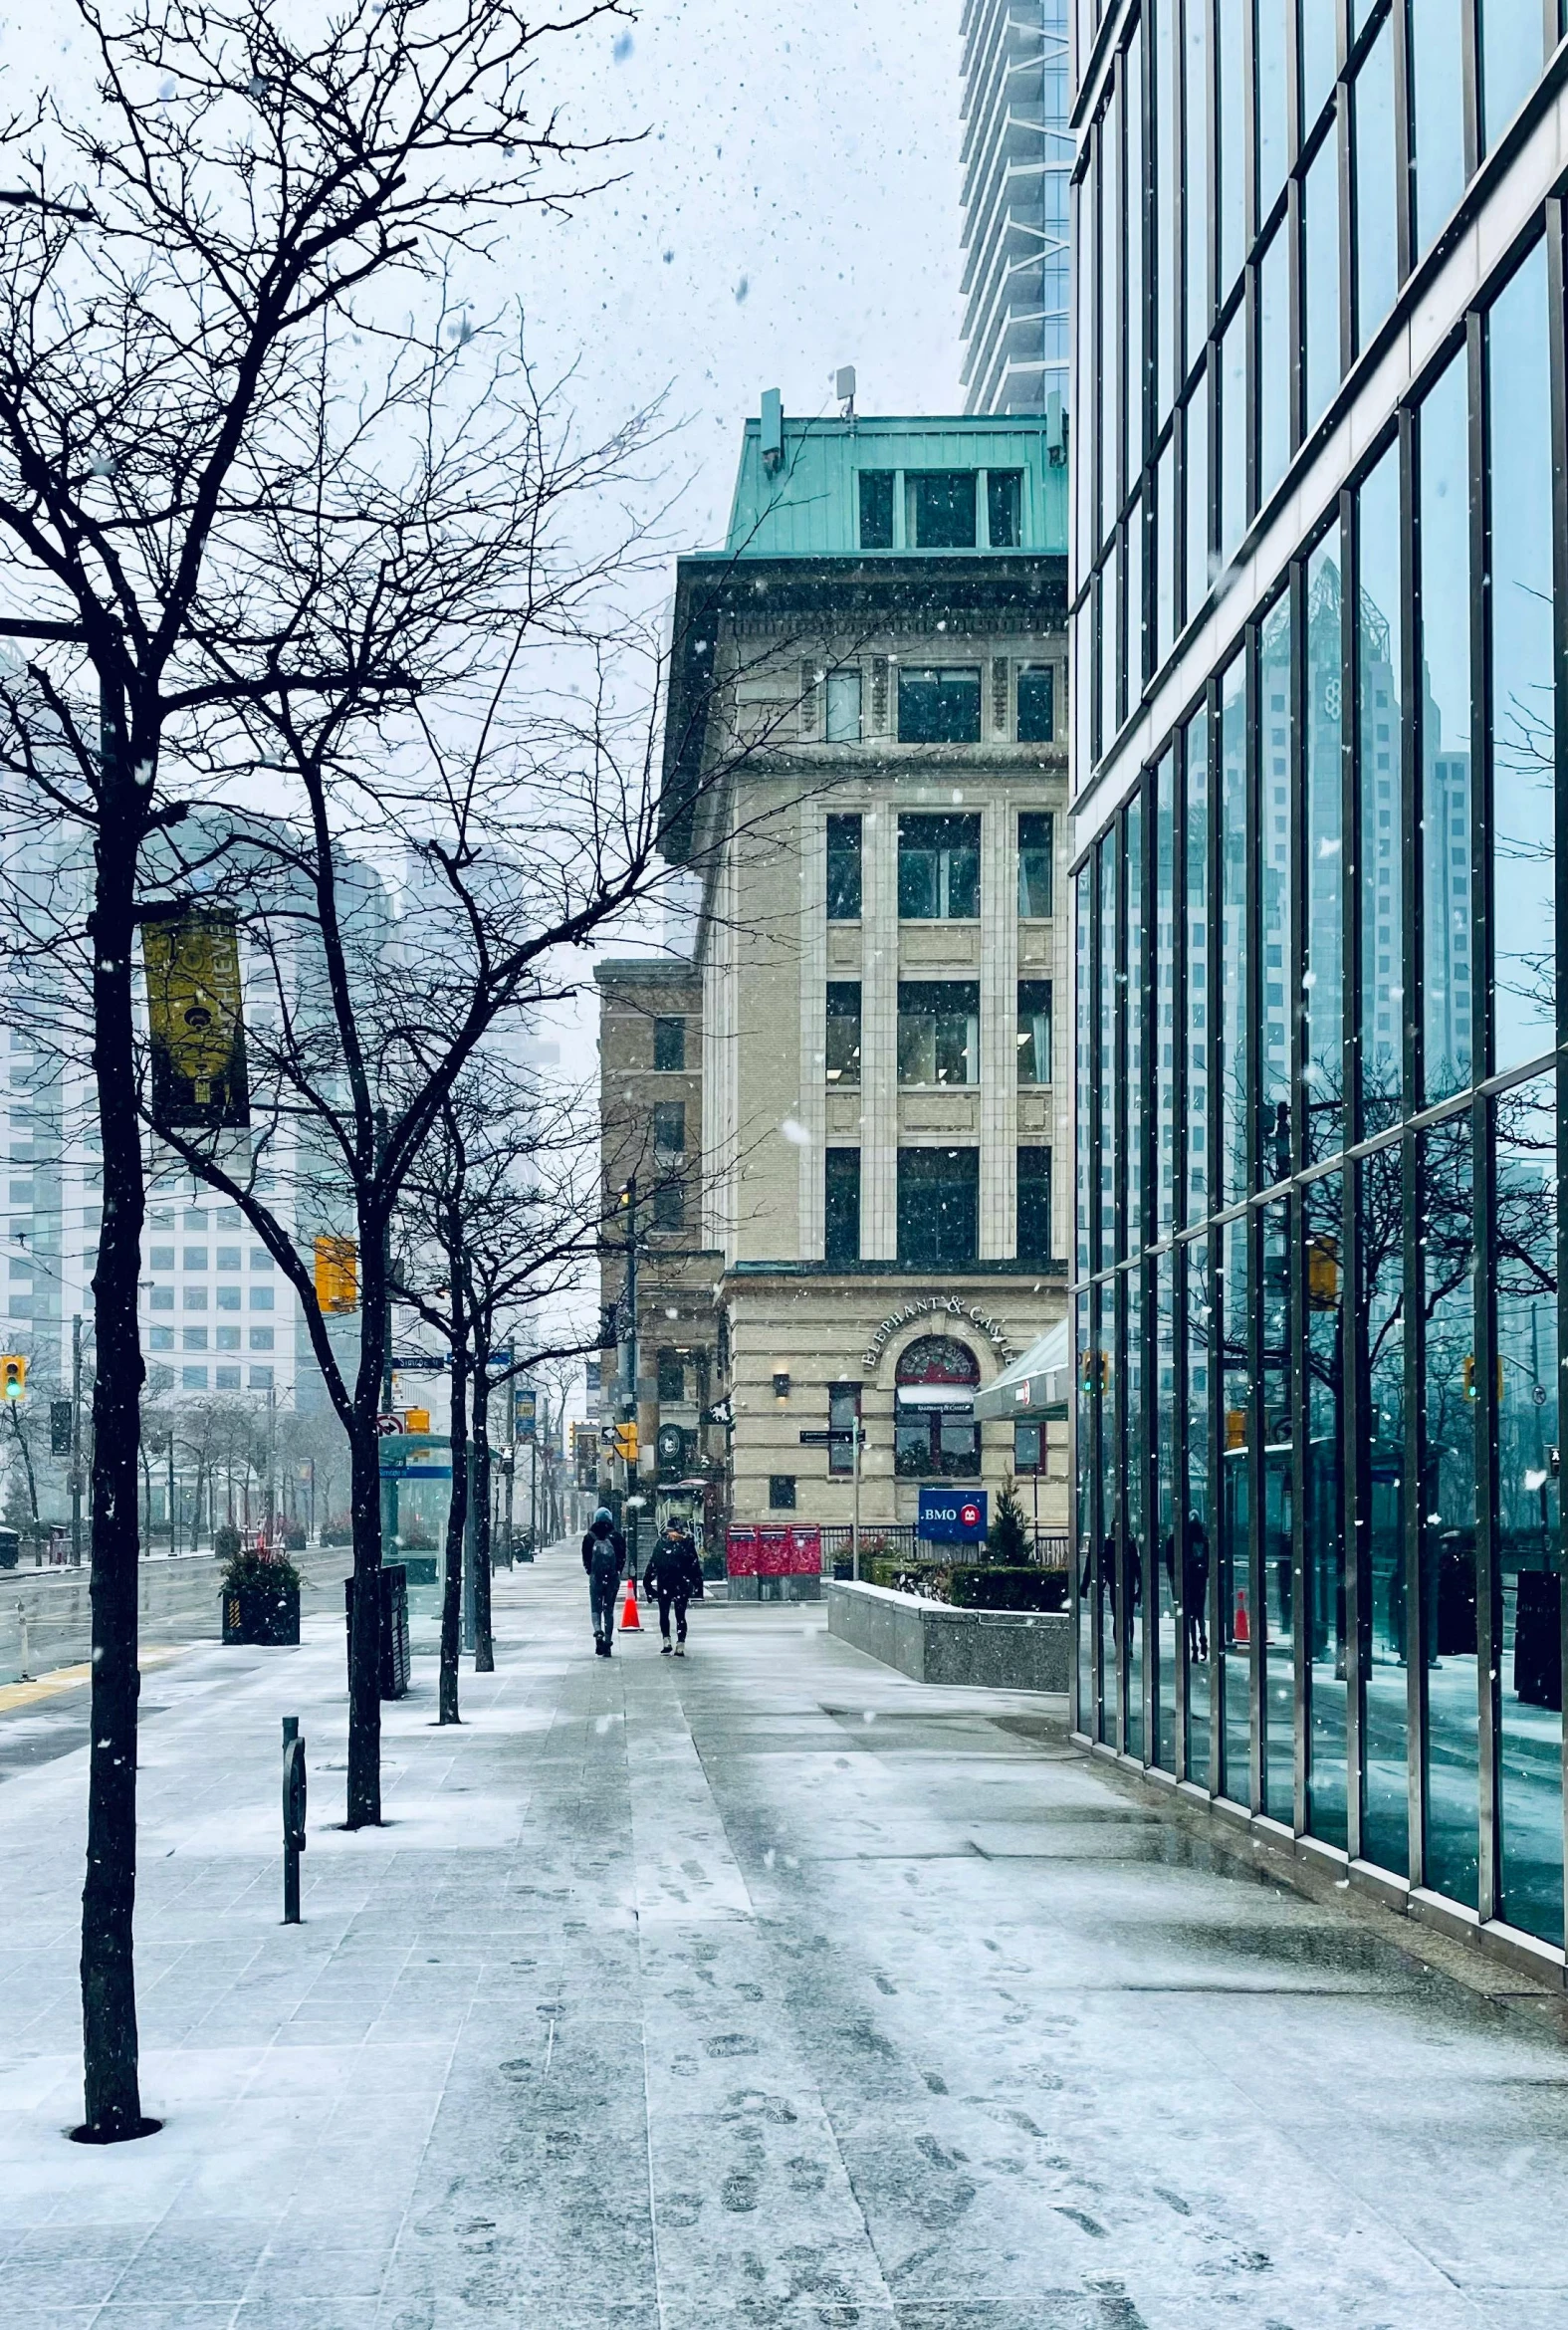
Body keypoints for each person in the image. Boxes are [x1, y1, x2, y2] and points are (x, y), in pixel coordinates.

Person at [643, 1517, 703, 1656]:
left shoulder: (664, 1545)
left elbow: (654, 1565)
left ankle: (676, 1642)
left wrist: (648, 1582)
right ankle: (671, 1642)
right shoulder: (684, 1545)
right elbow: (694, 1566)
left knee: (675, 1614)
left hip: (670, 1583)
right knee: (670, 1614)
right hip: (676, 1583)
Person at [581, 1507, 626, 1656]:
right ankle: (607, 1641)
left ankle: (597, 1631)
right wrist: (617, 1570)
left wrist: (591, 1571)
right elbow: (622, 1557)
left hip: (596, 1577)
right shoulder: (616, 1537)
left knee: (595, 1607)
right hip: (612, 1578)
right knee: (609, 1609)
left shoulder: (589, 1537)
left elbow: (586, 1559)